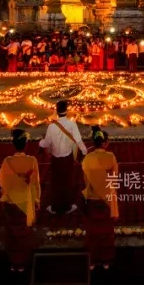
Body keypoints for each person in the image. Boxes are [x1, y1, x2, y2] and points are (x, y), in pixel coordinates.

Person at [0, 128, 41, 274]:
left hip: (11, 202)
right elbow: (35, 183)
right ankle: (22, 261)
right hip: (25, 201)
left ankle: (14, 262)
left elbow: (2, 183)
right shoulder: (31, 160)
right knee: (23, 231)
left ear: (13, 144)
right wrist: (36, 200)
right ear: (26, 144)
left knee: (12, 232)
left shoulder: (7, 161)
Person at [39, 99, 86, 215]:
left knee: (56, 182)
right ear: (67, 110)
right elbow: (79, 141)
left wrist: (40, 143)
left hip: (55, 159)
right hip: (67, 158)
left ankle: (55, 207)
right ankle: (68, 206)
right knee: (67, 182)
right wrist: (84, 152)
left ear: (56, 111)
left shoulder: (51, 126)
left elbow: (46, 143)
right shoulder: (71, 124)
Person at [81, 126, 119, 271]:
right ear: (104, 143)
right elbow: (113, 181)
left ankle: (92, 260)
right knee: (106, 230)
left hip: (92, 198)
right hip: (106, 199)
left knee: (92, 231)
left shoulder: (88, 158)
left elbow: (86, 180)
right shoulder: (110, 157)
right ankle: (106, 260)